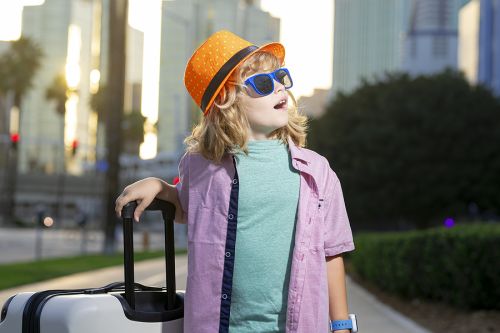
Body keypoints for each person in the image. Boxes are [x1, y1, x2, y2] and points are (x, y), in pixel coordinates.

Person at [115, 30, 356, 333]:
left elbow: (331, 252)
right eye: (264, 83)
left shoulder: (317, 172)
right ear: (227, 100)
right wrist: (161, 187)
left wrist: (343, 325)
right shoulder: (200, 166)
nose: (280, 88)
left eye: (281, 77)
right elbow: (189, 210)